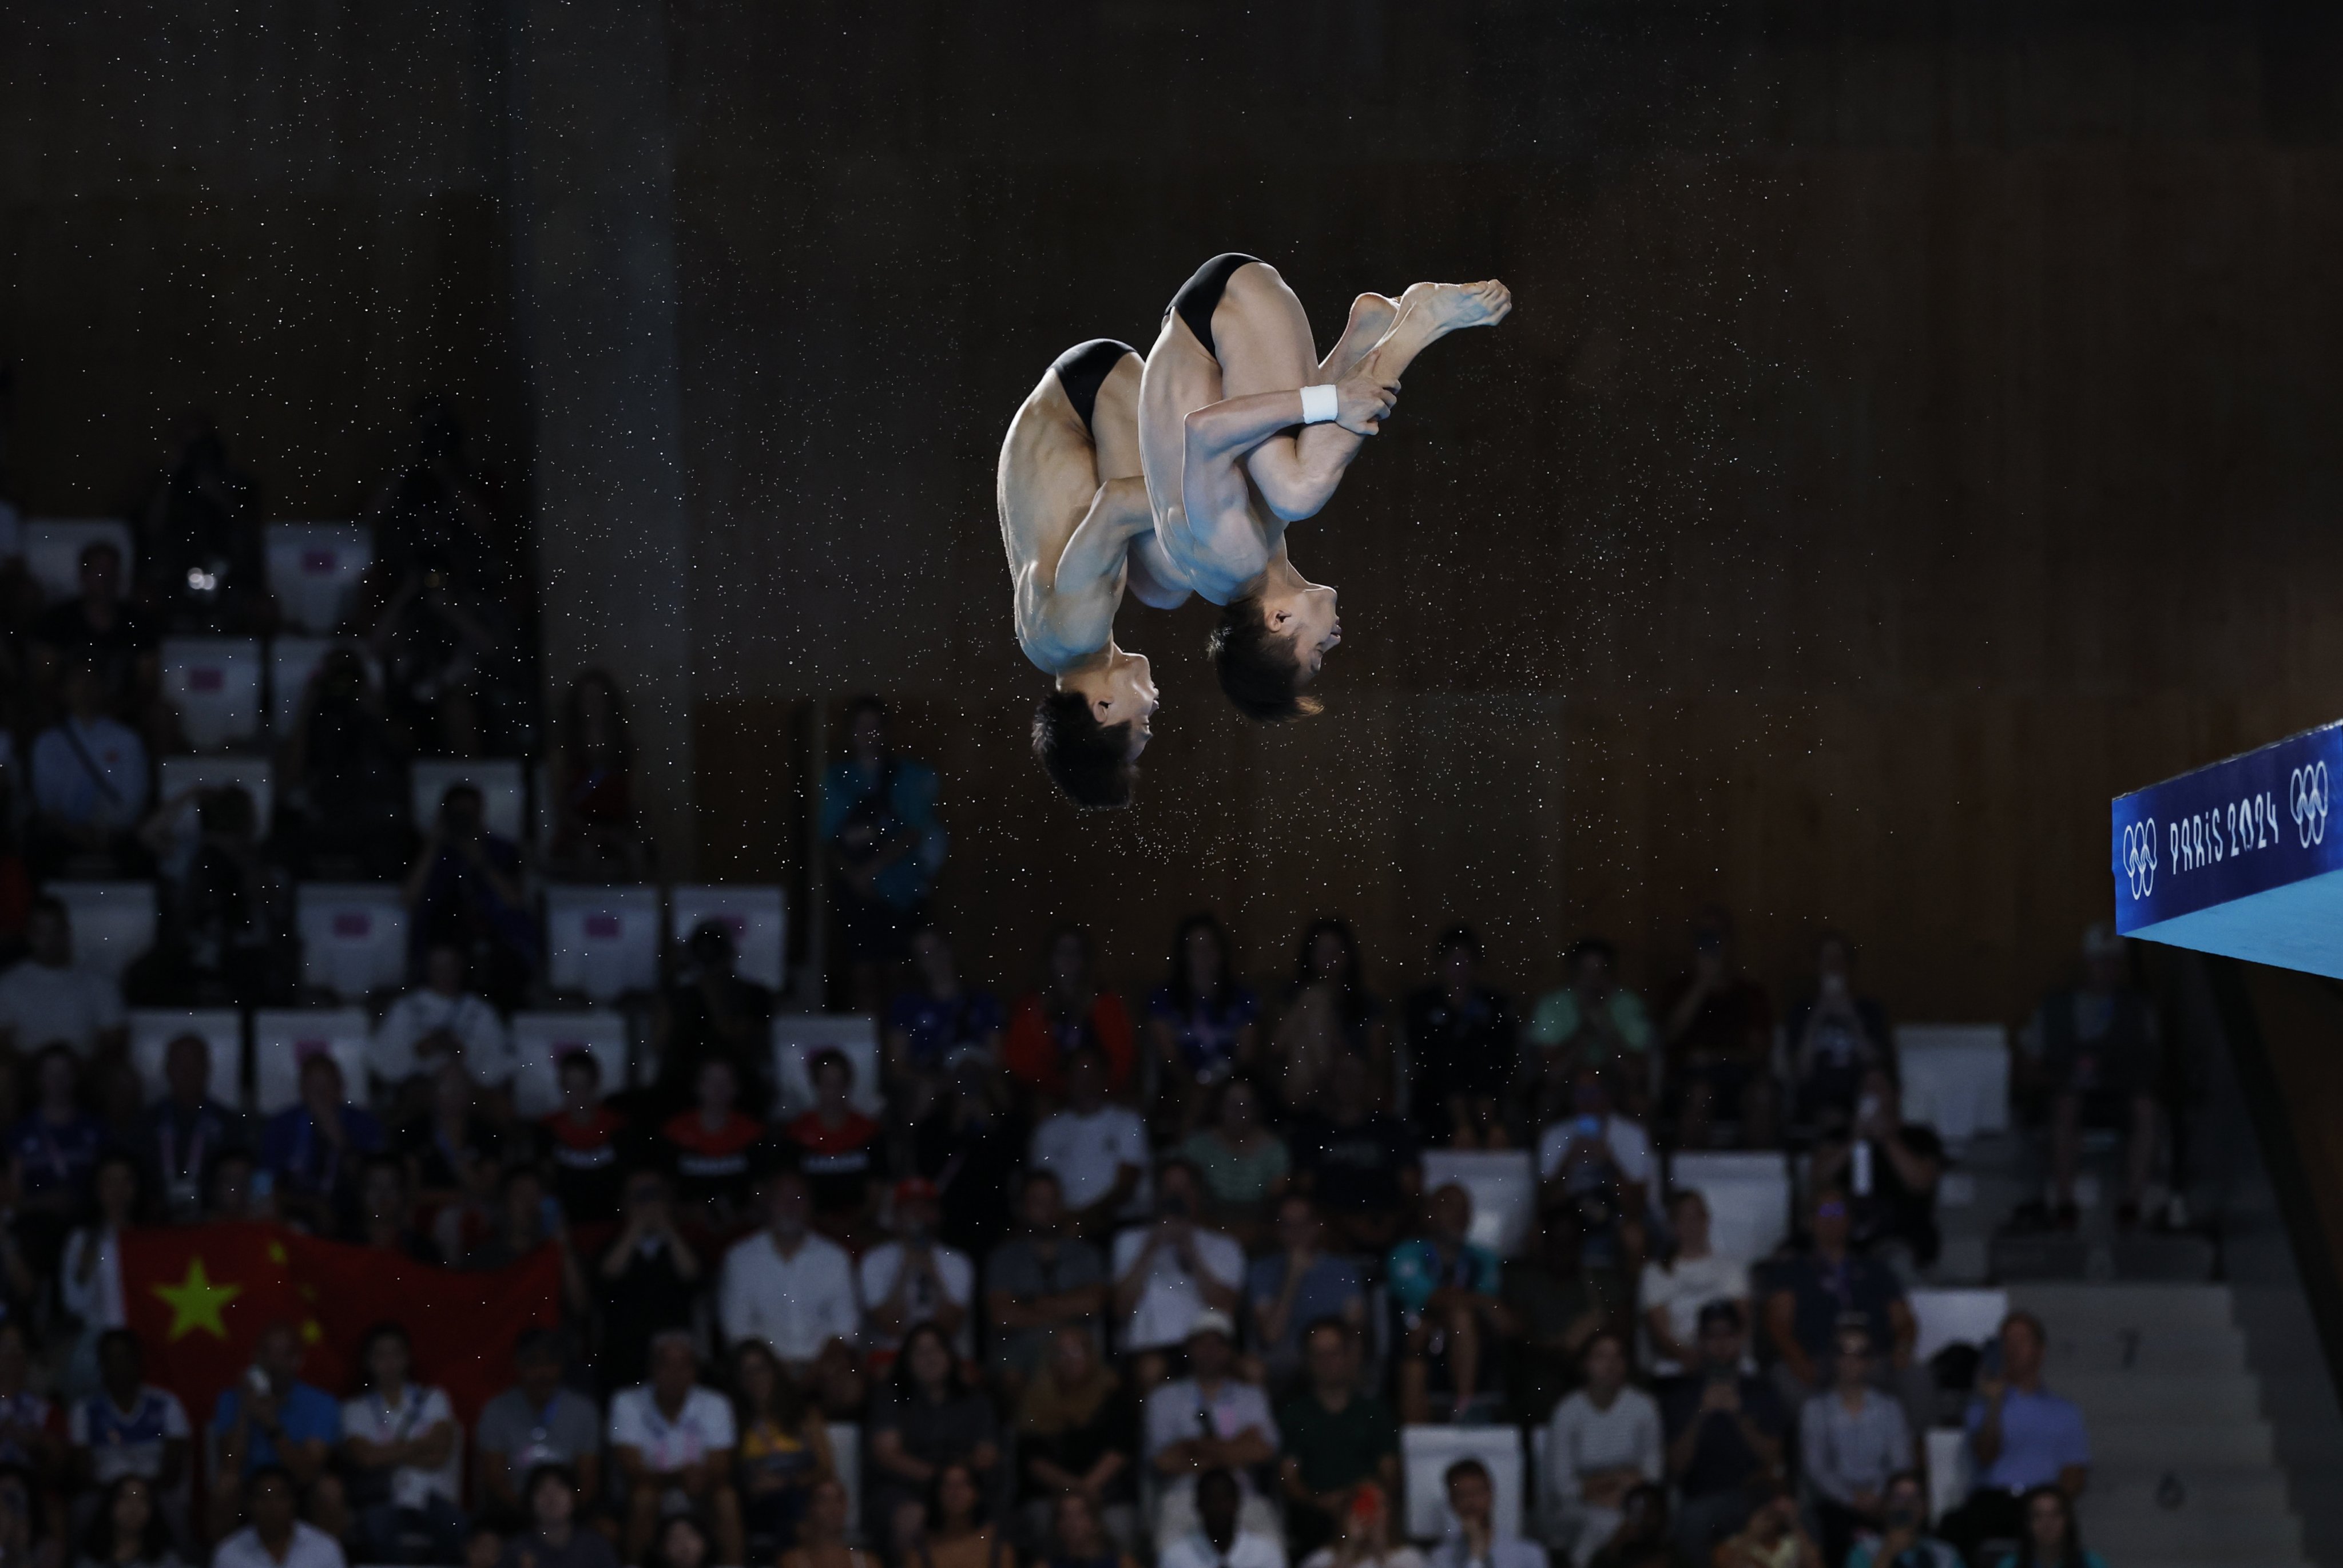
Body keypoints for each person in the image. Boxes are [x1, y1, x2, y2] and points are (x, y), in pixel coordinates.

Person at [1136, 253, 1509, 720]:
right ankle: (1369, 334)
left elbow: (1202, 432)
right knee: (1285, 488)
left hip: (1220, 311)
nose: (1332, 643)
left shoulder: (1232, 559)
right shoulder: (1238, 574)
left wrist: (1330, 400)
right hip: (1216, 315)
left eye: (1315, 656)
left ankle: (1421, 321)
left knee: (1296, 491)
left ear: (1279, 620)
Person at [998, 338, 1173, 810]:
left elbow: (1116, 504)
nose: (1155, 706)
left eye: (1145, 723)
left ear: (1103, 710)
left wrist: (1208, 504)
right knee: (1165, 581)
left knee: (1176, 568)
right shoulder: (1048, 649)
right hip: (1073, 399)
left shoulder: (1077, 630)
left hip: (1086, 392)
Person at [2022, 924, 2161, 1230]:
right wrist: (2062, 1080)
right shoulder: (2054, 1007)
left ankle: (2131, 1204)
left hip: (2119, 1096)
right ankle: (2065, 1203)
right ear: (2086, 963)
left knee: (2145, 1109)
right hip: (2068, 1093)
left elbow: (2151, 1063)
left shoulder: (2137, 1008)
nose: (2106, 970)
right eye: (2100, 961)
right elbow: (2031, 1064)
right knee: (2066, 1105)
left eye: (2113, 962)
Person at [1761, 1191, 1925, 1428]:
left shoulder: (1876, 1270)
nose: (1831, 1219)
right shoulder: (1791, 1271)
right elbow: (1776, 1323)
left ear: (1850, 1220)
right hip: (1818, 1361)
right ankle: (1810, 1456)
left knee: (1915, 1375)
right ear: (1809, 1221)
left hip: (1872, 1361)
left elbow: (1904, 1321)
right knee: (1783, 1377)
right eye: (1824, 1212)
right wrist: (1798, 1360)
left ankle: (1913, 1457)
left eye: (1838, 1211)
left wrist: (1902, 1349)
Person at [1937, 1315, 2089, 1566]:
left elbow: (2075, 1475)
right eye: (2007, 1341)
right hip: (1991, 1500)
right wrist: (1994, 1405)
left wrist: (2053, 1509)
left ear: (2040, 1351)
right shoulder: (1979, 1407)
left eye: (2022, 1340)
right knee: (1952, 1528)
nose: (2013, 1348)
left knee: (2053, 1528)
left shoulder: (2065, 1412)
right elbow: (1985, 1455)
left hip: (2038, 1501)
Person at [823, 696, 946, 1003]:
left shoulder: (909, 776)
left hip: (901, 890)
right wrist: (854, 876)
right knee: (861, 973)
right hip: (855, 893)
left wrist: (871, 871)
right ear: (850, 732)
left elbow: (915, 831)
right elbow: (827, 838)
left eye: (875, 727)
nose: (868, 735)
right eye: (861, 727)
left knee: (900, 974)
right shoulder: (836, 779)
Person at [719, 1172, 863, 1416]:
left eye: (798, 1198)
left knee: (850, 1386)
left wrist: (813, 1372)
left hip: (822, 1366)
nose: (790, 1206)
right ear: (766, 1203)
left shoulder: (835, 1257)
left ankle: (837, 1451)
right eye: (781, 1199)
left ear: (811, 1205)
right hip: (767, 1366)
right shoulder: (740, 1259)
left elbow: (846, 1330)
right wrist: (778, 1370)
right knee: (753, 1373)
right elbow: (738, 1331)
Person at [1658, 1303, 1786, 1560]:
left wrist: (1739, 1415)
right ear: (1701, 1341)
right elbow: (1675, 1467)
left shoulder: (1761, 1390)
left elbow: (1774, 1459)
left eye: (1728, 1335)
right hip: (1703, 1498)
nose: (1721, 1344)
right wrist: (1701, 1414)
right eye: (1713, 1336)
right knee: (1693, 1522)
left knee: (1800, 1519)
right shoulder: (1680, 1394)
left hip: (1755, 1496)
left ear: (1740, 1338)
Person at [609, 1331, 744, 1566]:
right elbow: (632, 1469)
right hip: (654, 1490)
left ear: (695, 1371)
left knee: (726, 1498)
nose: (676, 1375)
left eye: (684, 1366)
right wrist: (677, 1477)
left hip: (700, 1492)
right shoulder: (626, 1402)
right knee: (643, 1497)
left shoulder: (716, 1403)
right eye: (667, 1366)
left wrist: (699, 1477)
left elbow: (720, 1466)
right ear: (652, 1369)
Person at [1144, 1311, 1278, 1546]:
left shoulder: (1250, 1396)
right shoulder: (1164, 1398)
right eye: (1202, 1344)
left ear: (1229, 1350)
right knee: (1170, 1548)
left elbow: (1264, 1450)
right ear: (1190, 1349)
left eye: (1218, 1344)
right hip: (1184, 1497)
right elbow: (1163, 1461)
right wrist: (1236, 1447)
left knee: (1271, 1546)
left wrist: (1192, 1448)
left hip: (1242, 1497)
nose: (1210, 1352)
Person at [277, 647, 411, 882]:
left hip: (374, 817)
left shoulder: (379, 713)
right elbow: (291, 775)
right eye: (336, 673)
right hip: (325, 815)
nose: (343, 681)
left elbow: (407, 751)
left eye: (350, 673)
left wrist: (374, 706)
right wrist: (306, 708)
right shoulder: (316, 718)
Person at [402, 783, 537, 1012]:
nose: (464, 820)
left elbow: (515, 900)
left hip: (495, 934)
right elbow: (408, 898)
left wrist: (481, 861)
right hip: (442, 934)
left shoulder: (503, 849)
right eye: (457, 813)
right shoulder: (425, 850)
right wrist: (433, 846)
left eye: (470, 813)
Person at [865, 1323, 1000, 1546]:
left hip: (966, 1484)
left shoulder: (976, 1400)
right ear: (907, 1360)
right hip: (906, 1488)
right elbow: (887, 1454)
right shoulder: (891, 1398)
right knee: (912, 1514)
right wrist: (939, 1479)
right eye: (920, 1352)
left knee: (994, 1516)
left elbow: (987, 1454)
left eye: (936, 1350)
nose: (930, 1358)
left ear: (950, 1355)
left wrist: (955, 1482)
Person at [1276, 1321, 1399, 1561]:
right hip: (1316, 1518)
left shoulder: (1375, 1412)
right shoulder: (1294, 1414)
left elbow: (1391, 1474)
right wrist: (1319, 1501)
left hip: (1367, 1511)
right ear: (1306, 1361)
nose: (1327, 1361)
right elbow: (1288, 1477)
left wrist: (1360, 1496)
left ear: (1348, 1356)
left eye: (1333, 1353)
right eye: (1318, 1354)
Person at [340, 1324, 462, 1565]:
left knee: (458, 1526)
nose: (389, 1362)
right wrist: (420, 1444)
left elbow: (439, 1454)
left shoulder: (433, 1398)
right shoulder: (355, 1409)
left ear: (407, 1358)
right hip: (385, 1499)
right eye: (380, 1355)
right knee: (375, 1526)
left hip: (433, 1497)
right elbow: (365, 1459)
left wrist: (385, 1454)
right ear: (368, 1361)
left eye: (395, 1353)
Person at [210, 1323, 346, 1539]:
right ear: (254, 1358)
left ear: (298, 1361)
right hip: (250, 1488)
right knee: (225, 1486)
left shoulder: (321, 1403)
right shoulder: (230, 1400)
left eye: (283, 1355)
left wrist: (271, 1424)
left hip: (298, 1488)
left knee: (329, 1490)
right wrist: (246, 1410)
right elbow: (230, 1463)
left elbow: (307, 1472)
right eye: (266, 1353)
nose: (273, 1363)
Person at [1388, 1184, 1510, 1423]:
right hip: (1417, 1350)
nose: (1460, 1215)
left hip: (1473, 1353)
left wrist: (1480, 1305)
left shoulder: (1484, 1258)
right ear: (1429, 1214)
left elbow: (1498, 1316)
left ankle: (1466, 1407)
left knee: (1463, 1318)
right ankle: (1419, 1449)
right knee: (1417, 1363)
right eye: (1449, 1207)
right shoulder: (1405, 1254)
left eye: (1465, 1209)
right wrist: (1480, 1302)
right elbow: (1435, 1300)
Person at [1112, 1161, 1243, 1384]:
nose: (1177, 1196)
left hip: (1209, 1348)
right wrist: (1151, 1247)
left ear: (1198, 1194)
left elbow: (1226, 1308)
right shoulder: (1130, 1241)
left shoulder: (1224, 1246)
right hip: (1150, 1347)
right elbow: (1120, 1308)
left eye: (1185, 1188)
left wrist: (1190, 1249)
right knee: (1151, 1370)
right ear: (1158, 1194)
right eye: (1169, 1188)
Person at [984, 1172, 1109, 1401]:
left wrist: (1031, 1304)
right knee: (1011, 1374)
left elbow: (1093, 1303)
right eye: (1038, 1202)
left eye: (1053, 1201)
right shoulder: (1003, 1258)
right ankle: (1024, 1435)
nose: (1047, 1210)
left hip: (1078, 1343)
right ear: (1023, 1207)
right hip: (1024, 1346)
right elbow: (1002, 1316)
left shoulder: (1086, 1253)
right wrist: (1067, 1306)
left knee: (1077, 1358)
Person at [138, 414, 267, 636]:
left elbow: (248, 528)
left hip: (228, 573)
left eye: (202, 443)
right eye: (190, 445)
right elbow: (152, 525)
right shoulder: (171, 484)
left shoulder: (238, 481)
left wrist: (217, 492)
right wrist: (170, 475)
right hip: (176, 572)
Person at [1797, 1322, 1912, 1568]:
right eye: (1843, 1352)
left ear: (1869, 1361)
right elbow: (1816, 1468)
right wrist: (1850, 1498)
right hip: (1834, 1504)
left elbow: (1900, 1464)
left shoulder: (1890, 1408)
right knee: (1834, 1529)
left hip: (1883, 1500)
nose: (1851, 1361)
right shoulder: (1815, 1410)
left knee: (1903, 1523)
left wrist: (1877, 1496)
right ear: (1833, 1358)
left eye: (1859, 1354)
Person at [1809, 1069, 1944, 1273]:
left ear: (1895, 1094)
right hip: (1844, 1225)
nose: (1872, 1094)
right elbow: (1818, 1177)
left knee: (1894, 1261)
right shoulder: (1838, 1137)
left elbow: (1922, 1182)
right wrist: (1853, 1140)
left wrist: (1888, 1139)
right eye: (1866, 1088)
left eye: (1878, 1088)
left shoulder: (1920, 1137)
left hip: (1902, 1228)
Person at [1660, 910, 1775, 1150]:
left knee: (1762, 1096)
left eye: (1716, 936)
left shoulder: (1750, 993)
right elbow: (1669, 1036)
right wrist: (1702, 983)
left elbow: (1759, 1051)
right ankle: (1689, 1181)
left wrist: (1715, 1058)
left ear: (1729, 941)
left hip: (1739, 1076)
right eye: (1703, 936)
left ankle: (1758, 1180)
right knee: (1700, 1093)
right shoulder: (1677, 988)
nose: (1709, 942)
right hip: (1689, 1079)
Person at [1014, 1329, 1135, 1554]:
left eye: (1076, 1351)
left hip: (1106, 1494)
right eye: (1061, 1353)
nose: (1070, 1359)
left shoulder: (1114, 1395)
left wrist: (1087, 1490)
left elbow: (1120, 1450)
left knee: (1119, 1525)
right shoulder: (1035, 1401)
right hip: (1053, 1495)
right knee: (1041, 1519)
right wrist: (1075, 1493)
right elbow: (1034, 1461)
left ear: (1092, 1355)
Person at [1544, 1333, 1662, 1564]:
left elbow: (1652, 1474)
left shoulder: (1644, 1407)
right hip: (1575, 1507)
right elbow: (1563, 1487)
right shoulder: (1567, 1412)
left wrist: (1609, 1489)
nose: (1611, 1365)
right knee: (1602, 1521)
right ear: (1585, 1364)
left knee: (1650, 1512)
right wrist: (1618, 1481)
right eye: (1601, 1356)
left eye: (1618, 1357)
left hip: (1632, 1500)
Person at [29, 657, 150, 878]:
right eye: (78, 680)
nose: (85, 688)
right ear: (63, 690)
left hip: (117, 834)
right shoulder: (47, 743)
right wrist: (78, 833)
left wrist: (106, 833)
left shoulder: (127, 739)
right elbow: (47, 803)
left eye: (92, 679)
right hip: (65, 833)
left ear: (104, 688)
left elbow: (134, 799)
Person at [1286, 1055, 1420, 1255]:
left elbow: (1411, 1187)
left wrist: (1389, 1223)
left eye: (1356, 1075)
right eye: (1343, 1076)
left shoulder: (1391, 1129)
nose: (1349, 1083)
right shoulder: (1311, 1132)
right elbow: (1305, 1189)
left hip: (1386, 1222)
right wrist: (1346, 1224)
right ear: (1330, 1081)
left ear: (1368, 1081)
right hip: (1333, 1224)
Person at [1403, 927, 1519, 1149]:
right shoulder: (1421, 1003)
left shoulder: (1495, 1003)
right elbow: (1421, 1053)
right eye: (1453, 959)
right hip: (1435, 1091)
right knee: (1448, 1055)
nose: (1459, 967)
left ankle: (1490, 1128)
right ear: (1440, 962)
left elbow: (1504, 1053)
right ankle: (1463, 1127)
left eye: (1465, 960)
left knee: (1481, 1052)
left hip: (1486, 1088)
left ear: (1476, 964)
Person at [1502, 1212, 1619, 1424]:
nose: (1563, 1250)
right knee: (1540, 1387)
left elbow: (1621, 1330)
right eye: (1557, 1241)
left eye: (1570, 1242)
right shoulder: (1524, 1280)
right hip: (1542, 1370)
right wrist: (1563, 1344)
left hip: (1590, 1368)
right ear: (1545, 1242)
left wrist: (1594, 1334)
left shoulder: (1597, 1283)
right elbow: (1519, 1338)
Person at [1147, 915, 1261, 1133]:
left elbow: (1246, 1058)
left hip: (1231, 1084)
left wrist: (1221, 1085)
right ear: (1184, 955)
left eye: (1209, 947)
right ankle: (1183, 1159)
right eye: (1195, 948)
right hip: (1183, 1085)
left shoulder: (1243, 998)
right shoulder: (1163, 999)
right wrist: (1198, 1085)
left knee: (1231, 1099)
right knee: (1198, 1097)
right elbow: (1171, 1061)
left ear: (1221, 952)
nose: (1203, 956)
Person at [1535, 1066, 1653, 1275]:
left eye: (1592, 1093)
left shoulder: (1633, 1135)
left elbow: (1637, 1205)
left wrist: (1609, 1160)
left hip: (1617, 1215)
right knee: (1540, 1234)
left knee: (1634, 1237)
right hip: (1570, 1216)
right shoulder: (1554, 1136)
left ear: (1607, 1096)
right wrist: (1568, 1162)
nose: (1586, 1101)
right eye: (1580, 1093)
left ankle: (1632, 1305)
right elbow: (1546, 1203)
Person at [475, 1330, 604, 1518]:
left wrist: (563, 1513)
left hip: (570, 1513)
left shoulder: (584, 1410)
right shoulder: (495, 1411)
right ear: (518, 1365)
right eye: (533, 1363)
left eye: (550, 1363)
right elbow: (494, 1479)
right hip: (515, 1513)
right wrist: (532, 1514)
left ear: (561, 1366)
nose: (542, 1372)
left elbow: (589, 1479)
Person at [885, 926, 1004, 1127]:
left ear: (949, 950)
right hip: (929, 1079)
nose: (934, 959)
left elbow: (998, 1059)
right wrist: (937, 1080)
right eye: (925, 955)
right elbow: (896, 1064)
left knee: (983, 1091)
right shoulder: (906, 1005)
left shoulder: (982, 1001)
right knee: (926, 1093)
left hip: (975, 1076)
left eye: (938, 949)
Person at [654, 920, 776, 1117]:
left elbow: (744, 1040)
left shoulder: (755, 995)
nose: (709, 960)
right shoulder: (677, 997)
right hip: (682, 1086)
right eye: (702, 952)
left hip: (738, 1083)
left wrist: (714, 991)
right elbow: (660, 1044)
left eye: (714, 952)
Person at [31, 542, 156, 729]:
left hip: (124, 714)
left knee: (161, 714)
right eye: (98, 571)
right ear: (83, 576)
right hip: (65, 715)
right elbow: (44, 677)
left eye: (111, 570)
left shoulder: (138, 623)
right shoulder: (56, 621)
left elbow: (148, 682)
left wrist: (112, 711)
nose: (106, 579)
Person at [256, 1053, 383, 1236]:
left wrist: (340, 1139)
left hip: (353, 1210)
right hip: (295, 1207)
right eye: (313, 1088)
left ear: (341, 1087)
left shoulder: (364, 1124)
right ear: (302, 1091)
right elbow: (264, 1183)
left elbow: (369, 1183)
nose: (321, 1096)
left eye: (327, 1087)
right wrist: (311, 1205)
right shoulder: (281, 1126)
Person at [598, 1170, 702, 1394]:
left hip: (674, 1360)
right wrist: (635, 1227)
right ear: (625, 1203)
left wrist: (668, 1227)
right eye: (640, 1196)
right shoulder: (612, 1244)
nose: (649, 1203)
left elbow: (692, 1273)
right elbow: (608, 1274)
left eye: (655, 1195)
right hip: (624, 1358)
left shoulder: (683, 1242)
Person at [1269, 919, 1388, 1114]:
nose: (1329, 960)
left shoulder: (1368, 1004)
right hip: (1306, 1085)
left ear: (1348, 955)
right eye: (1322, 952)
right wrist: (1306, 1005)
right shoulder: (1294, 996)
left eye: (1336, 952)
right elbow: (1277, 1047)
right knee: (1314, 1001)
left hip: (1351, 1082)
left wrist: (1338, 1048)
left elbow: (1378, 1062)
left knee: (1317, 1001)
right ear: (1310, 956)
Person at [1029, 1048, 1150, 1240]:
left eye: (1092, 1074)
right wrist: (1066, 1220)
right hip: (1062, 1224)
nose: (1086, 1083)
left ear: (1104, 1078)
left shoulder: (1127, 1121)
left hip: (1115, 1221)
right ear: (1067, 1079)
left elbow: (1126, 1185)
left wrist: (1083, 1220)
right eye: (1079, 1074)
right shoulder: (1049, 1130)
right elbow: (1041, 1187)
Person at [1246, 1196, 1365, 1389]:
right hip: (1282, 1362)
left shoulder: (1343, 1271)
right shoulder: (1261, 1270)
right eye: (1288, 1225)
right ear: (1277, 1230)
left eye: (1303, 1224)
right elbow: (1271, 1335)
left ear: (1317, 1225)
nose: (1296, 1233)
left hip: (1330, 1357)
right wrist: (1293, 1276)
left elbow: (1354, 1332)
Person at [731, 1341, 834, 1561]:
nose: (756, 1378)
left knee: (795, 1504)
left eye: (761, 1369)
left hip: (800, 1495)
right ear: (739, 1379)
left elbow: (826, 1469)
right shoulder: (733, 1420)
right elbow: (729, 1473)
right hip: (757, 1503)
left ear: (774, 1371)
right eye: (747, 1372)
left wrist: (786, 1483)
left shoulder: (804, 1414)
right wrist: (750, 1486)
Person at [370, 944, 513, 1103]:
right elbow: (384, 1068)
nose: (444, 974)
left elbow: (496, 1071)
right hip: (418, 1095)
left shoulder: (480, 1011)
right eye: (437, 967)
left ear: (461, 967)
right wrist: (419, 1051)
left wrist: (463, 1053)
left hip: (471, 1094)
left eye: (450, 966)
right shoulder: (406, 1008)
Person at [1527, 938, 1654, 1116]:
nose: (1593, 981)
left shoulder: (1630, 1005)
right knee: (1546, 1100)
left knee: (1638, 1100)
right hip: (1567, 1086)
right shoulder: (1551, 1005)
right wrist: (1586, 1030)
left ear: (1611, 974)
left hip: (1615, 1084)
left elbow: (1633, 1073)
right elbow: (1552, 1073)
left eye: (1600, 972)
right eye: (1585, 972)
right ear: (1573, 974)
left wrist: (1604, 1023)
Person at [1007, 931, 1137, 1104]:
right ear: (1049, 958)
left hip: (1101, 1094)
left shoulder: (1106, 1003)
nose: (1069, 958)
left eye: (1075, 952)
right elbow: (1021, 1062)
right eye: (1062, 951)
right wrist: (1060, 1088)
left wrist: (1099, 1090)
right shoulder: (1031, 1006)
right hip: (1048, 1095)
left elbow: (1122, 1059)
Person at [11, 1046, 110, 1272]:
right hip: (38, 1227)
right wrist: (44, 1202)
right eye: (51, 1074)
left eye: (65, 1073)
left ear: (76, 1078)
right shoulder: (20, 1133)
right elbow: (13, 1198)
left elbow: (110, 1179)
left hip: (88, 1223)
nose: (58, 1081)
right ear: (38, 1079)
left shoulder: (96, 1129)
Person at [546, 668, 650, 881]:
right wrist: (588, 831)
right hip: (578, 827)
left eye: (599, 698)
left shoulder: (627, 751)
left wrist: (630, 831)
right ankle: (588, 910)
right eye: (587, 698)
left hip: (619, 825)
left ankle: (636, 910)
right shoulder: (564, 753)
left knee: (636, 852)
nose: (593, 705)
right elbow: (560, 804)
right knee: (587, 854)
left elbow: (636, 800)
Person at [1785, 934, 1891, 1133]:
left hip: (1860, 1097)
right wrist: (1818, 1015)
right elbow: (1800, 1072)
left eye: (1839, 959)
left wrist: (1851, 1017)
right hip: (1816, 1100)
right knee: (1832, 1118)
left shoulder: (1870, 1010)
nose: (1834, 966)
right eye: (1827, 959)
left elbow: (1878, 1065)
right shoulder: (1801, 1011)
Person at [860, 1178, 975, 1363]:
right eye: (910, 1209)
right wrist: (906, 1265)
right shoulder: (874, 1260)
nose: (918, 1215)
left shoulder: (957, 1261)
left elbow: (949, 1325)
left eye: (925, 1208)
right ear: (896, 1216)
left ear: (938, 1214)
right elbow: (891, 1325)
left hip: (944, 1357)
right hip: (891, 1357)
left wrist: (929, 1265)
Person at [1638, 1191, 1749, 1380]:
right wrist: (1689, 1358)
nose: (1693, 1225)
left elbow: (1743, 1321)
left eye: (1698, 1216)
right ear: (1673, 1225)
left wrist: (1720, 1357)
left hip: (1728, 1363)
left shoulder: (1731, 1267)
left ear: (1707, 1220)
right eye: (1685, 1218)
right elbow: (1660, 1332)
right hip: (1677, 1366)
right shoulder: (1655, 1272)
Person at [0, 899, 126, 1060]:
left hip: (84, 1074)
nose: (50, 939)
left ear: (68, 932)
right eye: (41, 931)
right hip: (26, 1074)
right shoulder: (8, 984)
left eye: (56, 930)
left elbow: (114, 1038)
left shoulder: (98, 983)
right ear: (29, 935)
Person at [67, 1332, 189, 1500]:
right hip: (104, 1498)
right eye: (111, 1359)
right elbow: (82, 1475)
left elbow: (173, 1472)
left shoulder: (166, 1404)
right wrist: (119, 1496)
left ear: (137, 1361)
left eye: (124, 1358)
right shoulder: (85, 1410)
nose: (118, 1366)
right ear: (101, 1365)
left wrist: (137, 1494)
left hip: (156, 1496)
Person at [781, 1051, 882, 1238]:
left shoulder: (869, 1132)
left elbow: (876, 1192)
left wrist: (853, 1223)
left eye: (839, 1084)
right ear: (815, 1085)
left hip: (859, 1230)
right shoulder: (795, 1134)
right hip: (808, 1231)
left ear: (848, 1085)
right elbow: (790, 1191)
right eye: (826, 1084)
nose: (833, 1092)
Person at [1179, 1077, 1289, 1247]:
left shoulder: (1274, 1150)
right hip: (1206, 1224)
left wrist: (1251, 1232)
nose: (1238, 1111)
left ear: (1257, 1109)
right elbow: (1187, 1193)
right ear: (1219, 1107)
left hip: (1257, 1229)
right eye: (1232, 1104)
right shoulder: (1198, 1146)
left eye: (1245, 1105)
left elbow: (1275, 1204)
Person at [660, 1057, 767, 1229]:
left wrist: (744, 1215)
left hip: (741, 1228)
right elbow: (665, 1189)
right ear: (697, 1086)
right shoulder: (675, 1132)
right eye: (710, 1081)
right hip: (687, 1228)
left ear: (736, 1088)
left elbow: (762, 1190)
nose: (718, 1089)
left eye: (725, 1081)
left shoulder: (753, 1133)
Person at [59, 1156, 141, 1384]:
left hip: (144, 1342)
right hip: (98, 1348)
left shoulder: (150, 1239)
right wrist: (87, 1262)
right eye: (110, 1182)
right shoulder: (82, 1240)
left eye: (126, 1182)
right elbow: (74, 1302)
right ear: (97, 1189)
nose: (119, 1191)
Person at [538, 1050, 629, 1224]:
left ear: (595, 1084)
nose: (577, 1095)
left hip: (612, 1221)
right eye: (570, 1087)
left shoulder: (618, 1127)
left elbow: (628, 1182)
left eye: (583, 1086)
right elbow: (545, 1182)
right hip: (564, 1222)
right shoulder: (548, 1129)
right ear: (562, 1085)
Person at [209, 1467, 346, 1568]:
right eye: (263, 1498)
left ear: (294, 1502)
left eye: (280, 1497)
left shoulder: (325, 1548)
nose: (271, 1506)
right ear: (249, 1504)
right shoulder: (229, 1553)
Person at [1423, 1458, 1542, 1568]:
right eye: (1461, 1496)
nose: (1470, 1503)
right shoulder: (1440, 1558)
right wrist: (1475, 1556)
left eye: (1477, 1493)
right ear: (1451, 1501)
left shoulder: (1529, 1555)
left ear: (1490, 1494)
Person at [1158, 1468, 1285, 1568]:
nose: (1219, 1507)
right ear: (1199, 1505)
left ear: (1237, 1502)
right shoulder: (1175, 1557)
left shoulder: (1265, 1554)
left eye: (1225, 1499)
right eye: (1211, 1500)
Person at [506, 1463, 621, 1568]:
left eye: (560, 1488)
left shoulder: (595, 1546)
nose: (551, 1497)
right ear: (530, 1501)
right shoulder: (517, 1549)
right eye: (542, 1489)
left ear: (574, 1498)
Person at [1841, 1474, 1960, 1568]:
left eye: (1915, 1497)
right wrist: (1888, 1553)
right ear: (1885, 1505)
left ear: (1925, 1508)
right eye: (1898, 1497)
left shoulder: (1945, 1554)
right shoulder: (1863, 1552)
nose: (1907, 1504)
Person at [1298, 1484, 1419, 1568]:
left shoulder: (1409, 1557)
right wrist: (1349, 1546)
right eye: (1363, 1505)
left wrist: (1381, 1554)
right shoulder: (1321, 1558)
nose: (1371, 1513)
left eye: (1379, 1506)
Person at [906, 1462, 1001, 1568]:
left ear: (977, 1493)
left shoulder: (995, 1541)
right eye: (948, 1485)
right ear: (937, 1493)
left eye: (964, 1484)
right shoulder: (922, 1547)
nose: (956, 1493)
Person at [1984, 1486, 2103, 1568]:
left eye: (2055, 1515)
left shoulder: (2091, 1564)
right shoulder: (2010, 1565)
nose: (2047, 1524)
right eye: (2038, 1516)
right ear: (2027, 1523)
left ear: (2068, 1520)